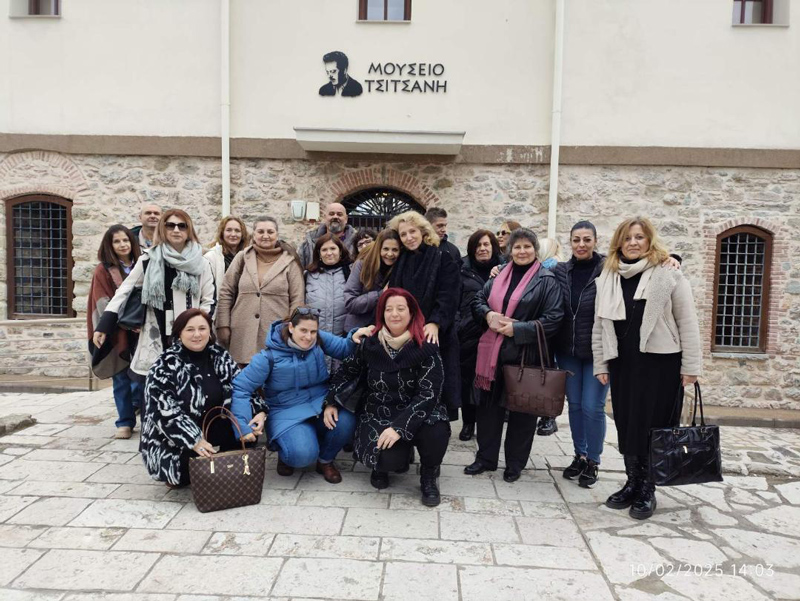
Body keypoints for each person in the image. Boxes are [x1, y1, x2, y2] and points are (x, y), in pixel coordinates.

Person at [593, 217, 701, 520]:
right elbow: (599, 326)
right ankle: (632, 482)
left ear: (649, 240)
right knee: (628, 424)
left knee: (655, 427)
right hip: (623, 363)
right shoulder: (608, 276)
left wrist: (691, 366)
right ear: (619, 243)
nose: (633, 243)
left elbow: (687, 322)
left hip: (661, 364)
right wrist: (601, 363)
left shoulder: (669, 274)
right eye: (627, 238)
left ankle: (648, 489)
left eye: (639, 237)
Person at [327, 289, 449, 506]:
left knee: (437, 430)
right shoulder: (370, 343)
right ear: (381, 314)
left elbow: (428, 394)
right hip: (380, 410)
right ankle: (388, 462)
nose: (394, 314)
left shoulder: (426, 346)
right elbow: (347, 371)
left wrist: (399, 428)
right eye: (388, 309)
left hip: (417, 410)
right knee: (387, 460)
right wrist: (331, 401)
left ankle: (429, 475)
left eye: (401, 309)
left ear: (411, 313)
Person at [465, 228, 564, 482]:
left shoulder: (547, 280)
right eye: (517, 247)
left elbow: (554, 318)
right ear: (510, 250)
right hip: (492, 355)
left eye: (527, 247)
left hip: (525, 355)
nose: (522, 251)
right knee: (488, 410)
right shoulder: (499, 275)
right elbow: (478, 301)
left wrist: (517, 329)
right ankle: (485, 458)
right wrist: (488, 314)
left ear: (535, 250)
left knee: (522, 412)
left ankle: (515, 464)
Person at [230, 308, 372, 483]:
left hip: (320, 402)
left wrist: (354, 337)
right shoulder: (268, 357)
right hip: (286, 410)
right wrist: (242, 426)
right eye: (303, 330)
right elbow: (241, 388)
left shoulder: (318, 340)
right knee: (302, 455)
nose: (308, 336)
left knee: (346, 420)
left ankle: (325, 460)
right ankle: (286, 451)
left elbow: (344, 349)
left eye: (313, 331)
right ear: (291, 327)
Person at [140, 309, 266, 488]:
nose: (197, 334)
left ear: (210, 331)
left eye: (202, 328)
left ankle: (225, 463)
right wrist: (194, 440)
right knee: (183, 475)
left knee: (248, 436)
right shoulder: (165, 364)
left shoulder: (221, 356)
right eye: (190, 329)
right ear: (179, 333)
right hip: (176, 435)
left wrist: (259, 411)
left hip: (215, 422)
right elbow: (162, 411)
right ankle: (181, 467)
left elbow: (242, 387)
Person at [92, 210, 215, 377]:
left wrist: (199, 327)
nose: (176, 230)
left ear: (189, 230)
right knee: (158, 382)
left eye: (182, 226)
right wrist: (104, 326)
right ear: (163, 229)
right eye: (170, 225)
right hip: (157, 332)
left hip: (191, 332)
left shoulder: (201, 262)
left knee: (189, 380)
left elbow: (209, 299)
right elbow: (124, 291)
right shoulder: (148, 259)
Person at [387, 211, 461, 419]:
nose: (409, 237)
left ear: (423, 231)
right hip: (407, 333)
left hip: (436, 332)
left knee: (437, 390)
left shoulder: (442, 257)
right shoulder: (402, 261)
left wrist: (436, 322)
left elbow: (449, 294)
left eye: (412, 231)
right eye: (403, 234)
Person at [552, 221, 609, 487]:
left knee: (592, 406)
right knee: (574, 405)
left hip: (598, 352)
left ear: (595, 241)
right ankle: (580, 455)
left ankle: (594, 461)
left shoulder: (608, 268)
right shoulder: (561, 271)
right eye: (576, 240)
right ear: (570, 242)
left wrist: (671, 258)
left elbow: (640, 265)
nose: (581, 245)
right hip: (568, 351)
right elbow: (531, 271)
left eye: (587, 239)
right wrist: (499, 267)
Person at [216, 216, 305, 365]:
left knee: (273, 374)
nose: (265, 236)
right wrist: (223, 324)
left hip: (276, 335)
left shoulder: (290, 261)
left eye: (270, 232)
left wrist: (291, 330)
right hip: (242, 335)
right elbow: (226, 292)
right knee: (242, 377)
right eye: (260, 231)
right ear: (254, 234)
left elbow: (297, 299)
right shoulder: (242, 257)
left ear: (277, 234)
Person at [87, 225, 143, 439]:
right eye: (117, 241)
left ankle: (144, 416)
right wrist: (121, 322)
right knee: (120, 377)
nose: (122, 245)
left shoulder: (142, 264)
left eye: (126, 240)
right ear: (110, 245)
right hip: (117, 330)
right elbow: (102, 301)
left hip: (141, 329)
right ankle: (125, 422)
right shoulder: (103, 270)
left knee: (141, 377)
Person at [457, 229, 502, 441]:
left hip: (495, 334)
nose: (482, 249)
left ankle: (488, 423)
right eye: (478, 245)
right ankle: (468, 422)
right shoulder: (462, 270)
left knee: (491, 380)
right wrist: (459, 325)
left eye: (486, 244)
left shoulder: (504, 269)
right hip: (468, 333)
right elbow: (454, 300)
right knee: (468, 379)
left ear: (493, 247)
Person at [532, 237, 564, 437]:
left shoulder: (552, 268)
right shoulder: (547, 268)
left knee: (547, 372)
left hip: (547, 328)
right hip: (545, 327)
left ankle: (548, 417)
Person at [305, 233, 351, 370]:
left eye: (333, 248)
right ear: (318, 253)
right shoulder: (308, 275)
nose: (329, 253)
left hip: (343, 343)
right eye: (324, 249)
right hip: (314, 344)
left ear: (340, 251)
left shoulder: (351, 272)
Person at [343, 229, 401, 330]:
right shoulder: (362, 265)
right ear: (379, 248)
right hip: (358, 329)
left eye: (395, 250)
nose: (390, 254)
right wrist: (380, 295)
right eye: (386, 249)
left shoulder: (400, 268)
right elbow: (350, 303)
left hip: (386, 329)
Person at [204, 216, 249, 312]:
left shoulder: (248, 257)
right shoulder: (211, 257)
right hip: (220, 310)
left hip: (242, 310)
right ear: (222, 233)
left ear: (242, 234)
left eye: (237, 231)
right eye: (229, 230)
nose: (233, 234)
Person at [298, 202, 358, 267]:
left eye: (339, 214)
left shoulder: (357, 242)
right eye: (331, 214)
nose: (335, 216)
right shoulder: (309, 243)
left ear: (346, 219)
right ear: (325, 217)